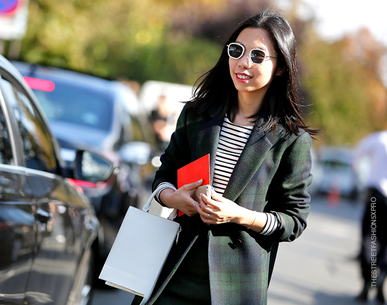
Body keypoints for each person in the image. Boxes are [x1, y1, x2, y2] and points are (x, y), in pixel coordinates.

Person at [132, 9, 317, 305]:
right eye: (237, 50)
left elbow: (294, 220)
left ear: (280, 66)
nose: (244, 62)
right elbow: (164, 175)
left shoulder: (291, 139)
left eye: (258, 56)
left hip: (237, 288)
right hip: (171, 270)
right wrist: (172, 197)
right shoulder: (197, 114)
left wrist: (238, 215)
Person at [352, 131, 387, 304]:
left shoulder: (379, 138)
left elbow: (357, 154)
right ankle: (381, 275)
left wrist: (357, 178)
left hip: (376, 196)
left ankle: (367, 283)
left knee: (370, 238)